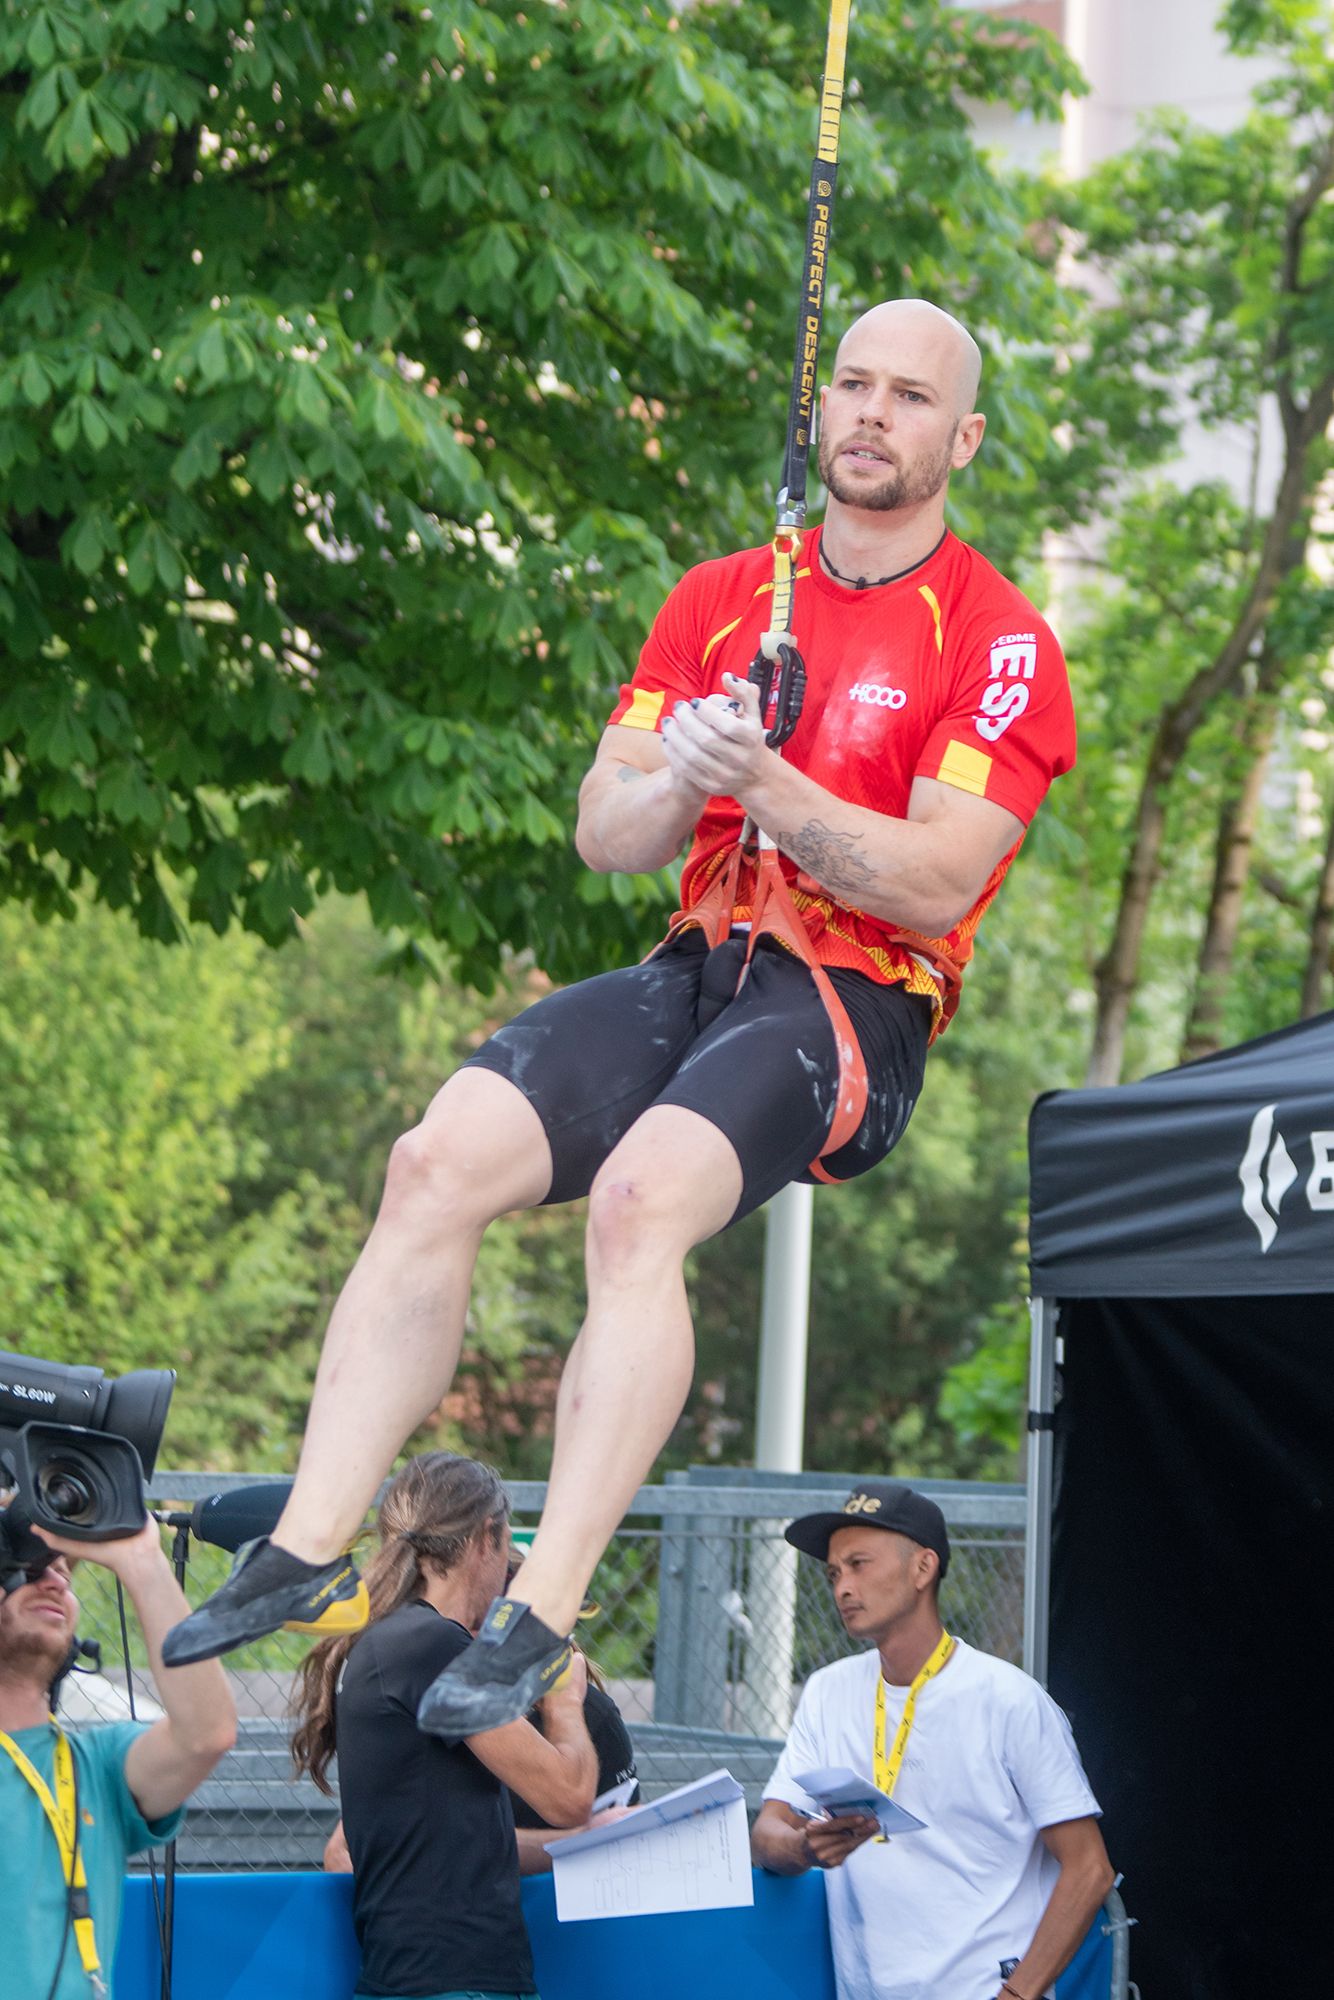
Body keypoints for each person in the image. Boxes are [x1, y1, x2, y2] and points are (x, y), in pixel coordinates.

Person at [164, 298, 1077, 1746]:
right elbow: (608, 828)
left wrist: (771, 783)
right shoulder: (724, 592)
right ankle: (312, 1532)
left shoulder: (998, 637)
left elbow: (937, 876)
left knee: (640, 1201)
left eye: (908, 397)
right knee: (434, 1159)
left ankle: (544, 1608)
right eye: (850, 384)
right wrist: (694, 766)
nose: (869, 414)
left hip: (852, 1002)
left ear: (958, 437)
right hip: (701, 949)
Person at [751, 1480, 1113, 2000]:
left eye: (859, 1564)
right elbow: (767, 1831)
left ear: (923, 1568)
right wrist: (803, 1847)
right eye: (833, 1572)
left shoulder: (1008, 1699)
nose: (841, 1587)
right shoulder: (827, 1692)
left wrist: (1016, 1995)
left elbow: (1090, 1868)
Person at [290, 1452, 598, 2000]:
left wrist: (584, 1842)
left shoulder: (394, 1641)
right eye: (505, 1549)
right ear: (487, 1537)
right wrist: (565, 1702)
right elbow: (568, 1794)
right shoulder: (432, 1645)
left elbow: (459, 1845)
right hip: (451, 1983)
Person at [0, 1513, 236, 2000]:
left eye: (64, 1575)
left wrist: (143, 1560)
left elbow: (206, 1733)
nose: (53, 1583)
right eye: (26, 1570)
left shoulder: (99, 1764)